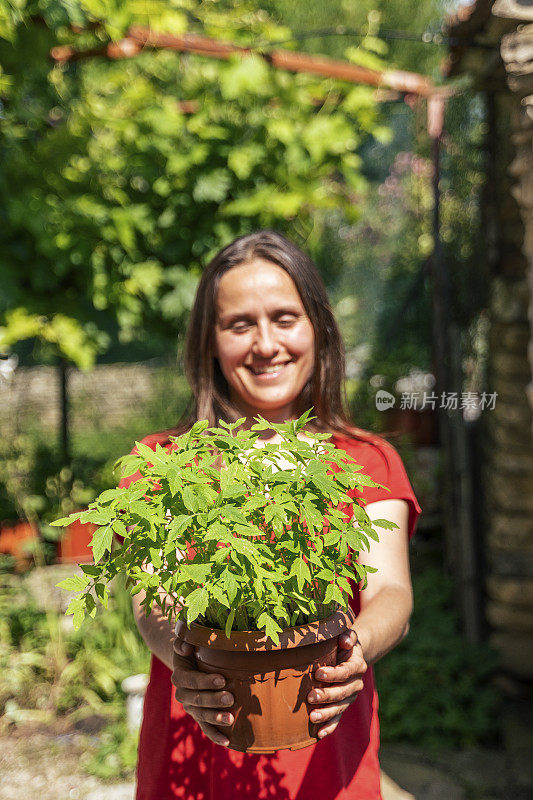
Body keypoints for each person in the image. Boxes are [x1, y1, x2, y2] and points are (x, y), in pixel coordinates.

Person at [119, 230, 421, 800]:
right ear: (209, 341)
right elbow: (150, 599)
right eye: (239, 325)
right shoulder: (162, 464)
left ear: (318, 329)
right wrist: (185, 660)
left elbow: (391, 591)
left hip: (324, 762)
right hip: (196, 754)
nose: (265, 344)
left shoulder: (365, 461)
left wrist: (354, 649)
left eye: (285, 318)